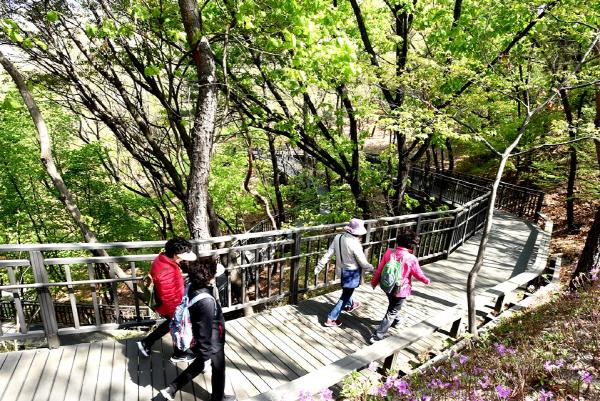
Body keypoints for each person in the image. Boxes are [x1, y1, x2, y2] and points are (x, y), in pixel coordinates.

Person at [160, 257, 235, 401]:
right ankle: (218, 398)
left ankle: (172, 389)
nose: (216, 278)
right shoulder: (206, 301)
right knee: (218, 368)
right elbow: (204, 329)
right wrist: (205, 352)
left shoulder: (192, 285)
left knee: (200, 364)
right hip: (212, 340)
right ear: (208, 278)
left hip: (201, 336)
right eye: (214, 275)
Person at [137, 237, 197, 363]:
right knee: (178, 326)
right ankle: (179, 354)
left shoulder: (162, 259)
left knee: (170, 324)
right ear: (175, 255)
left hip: (169, 303)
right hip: (172, 305)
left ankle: (146, 343)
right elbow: (169, 297)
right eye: (183, 256)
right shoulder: (167, 271)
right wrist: (177, 314)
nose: (184, 259)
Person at [369, 229, 430, 343]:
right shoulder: (411, 258)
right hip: (401, 290)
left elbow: (380, 269)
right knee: (392, 311)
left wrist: (374, 282)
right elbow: (418, 274)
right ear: (412, 245)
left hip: (387, 286)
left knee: (393, 306)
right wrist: (426, 281)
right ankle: (377, 336)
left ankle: (397, 321)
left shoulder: (389, 252)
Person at [314, 218, 374, 327]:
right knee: (346, 295)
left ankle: (351, 305)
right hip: (351, 274)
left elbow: (328, 254)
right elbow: (363, 263)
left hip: (340, 271)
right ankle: (331, 318)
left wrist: (319, 266)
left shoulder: (338, 237)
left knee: (347, 290)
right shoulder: (355, 244)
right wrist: (373, 269)